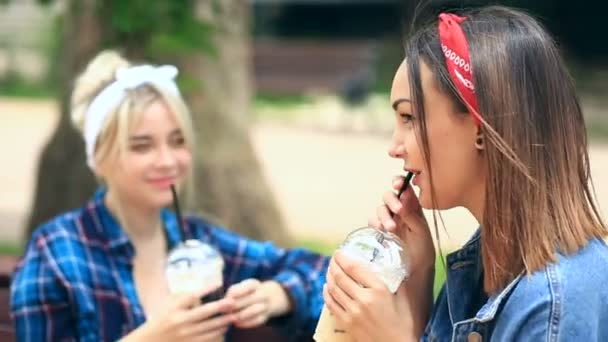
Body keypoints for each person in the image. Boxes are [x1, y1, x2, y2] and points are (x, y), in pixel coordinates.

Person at [323, 6, 608, 341]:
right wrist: (418, 283)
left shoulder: (554, 300)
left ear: (480, 128)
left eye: (409, 117)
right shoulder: (483, 267)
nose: (394, 146)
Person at [10, 50, 329, 342]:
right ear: (99, 157)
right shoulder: (56, 256)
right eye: (142, 146)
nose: (167, 161)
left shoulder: (201, 243)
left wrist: (278, 295)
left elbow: (323, 273)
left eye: (177, 141)